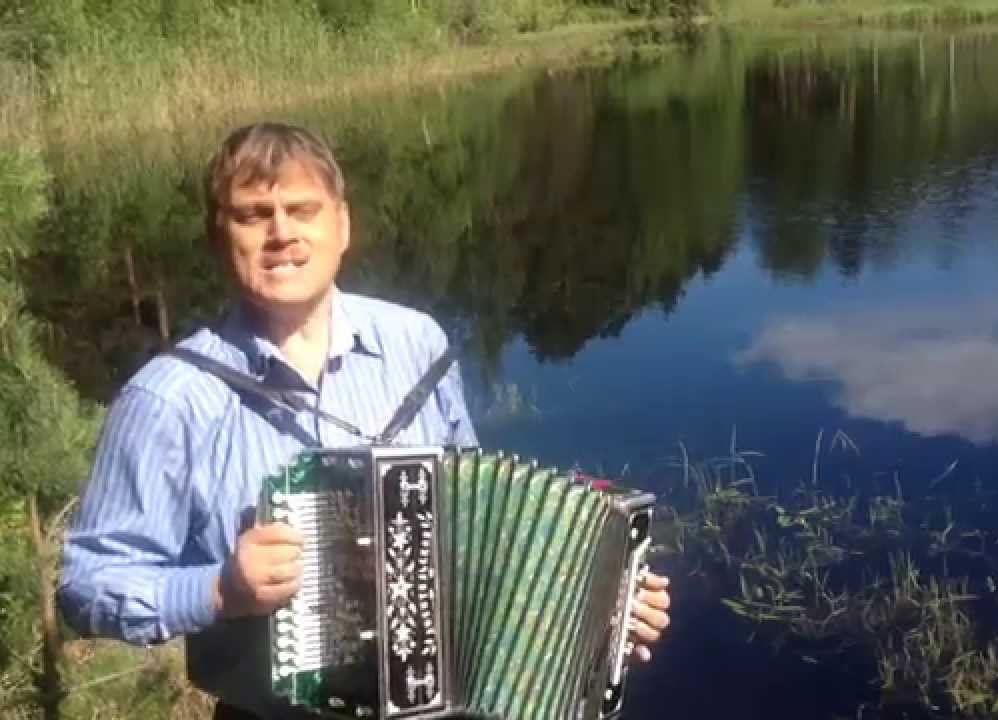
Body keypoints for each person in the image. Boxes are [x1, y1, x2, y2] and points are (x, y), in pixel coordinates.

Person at [58, 122, 671, 719]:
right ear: (219, 239)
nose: (282, 233)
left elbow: (479, 526)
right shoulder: (169, 399)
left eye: (303, 210)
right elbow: (87, 585)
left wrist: (605, 602)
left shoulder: (418, 344)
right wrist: (220, 590)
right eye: (253, 215)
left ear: (342, 225)